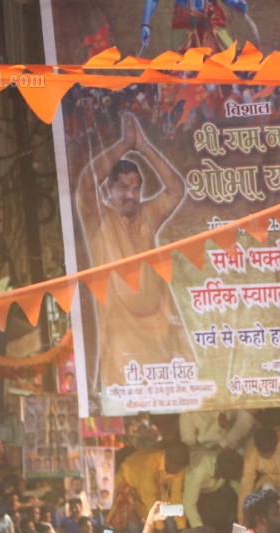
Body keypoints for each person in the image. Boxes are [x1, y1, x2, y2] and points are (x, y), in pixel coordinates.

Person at [74, 112, 191, 397]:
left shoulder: (147, 215)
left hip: (165, 342)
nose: (131, 194)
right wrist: (125, 144)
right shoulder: (99, 220)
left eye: (136, 187)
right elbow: (87, 182)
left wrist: (144, 147)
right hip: (123, 351)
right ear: (109, 189)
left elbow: (176, 189)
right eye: (124, 187)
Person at [183, 448, 243, 531]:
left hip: (210, 491)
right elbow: (189, 504)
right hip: (188, 491)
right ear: (217, 467)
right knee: (205, 515)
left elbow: (240, 491)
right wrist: (201, 532)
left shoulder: (229, 465)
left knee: (225, 507)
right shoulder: (199, 471)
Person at [180, 410, 255, 452]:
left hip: (236, 448)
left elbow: (245, 421)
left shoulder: (229, 392)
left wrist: (224, 444)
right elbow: (188, 442)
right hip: (206, 453)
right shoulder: (187, 411)